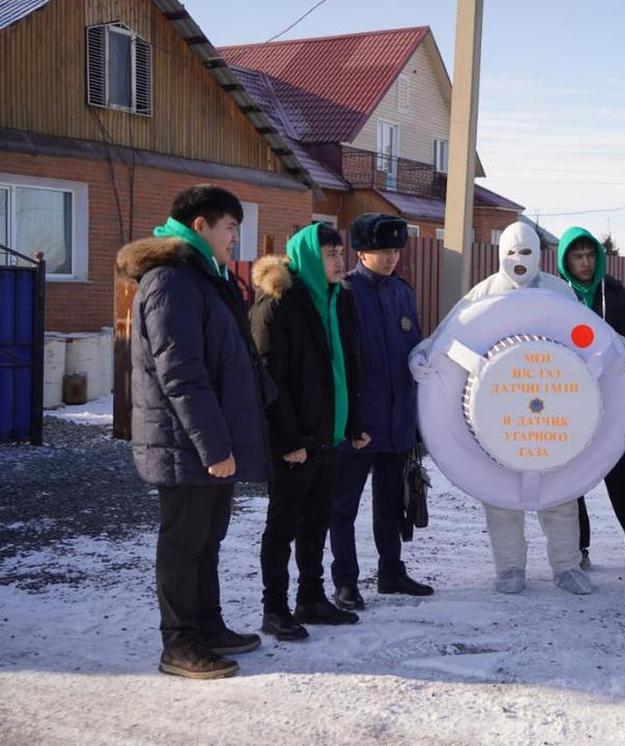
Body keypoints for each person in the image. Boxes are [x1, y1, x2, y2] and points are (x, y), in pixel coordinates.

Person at [117, 185, 272, 680]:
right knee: (184, 543)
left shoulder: (203, 278)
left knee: (207, 538)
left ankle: (207, 625)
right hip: (186, 444)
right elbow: (181, 373)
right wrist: (214, 446)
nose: (235, 240)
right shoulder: (171, 282)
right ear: (200, 226)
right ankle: (179, 643)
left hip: (206, 441)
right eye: (230, 229)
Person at [414, 222, 594, 595]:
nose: (518, 261)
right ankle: (510, 567)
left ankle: (566, 565)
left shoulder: (559, 292)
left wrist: (622, 354)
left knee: (559, 493)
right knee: (501, 497)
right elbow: (450, 332)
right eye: (511, 253)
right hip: (497, 413)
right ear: (500, 255)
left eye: (526, 252)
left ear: (539, 254)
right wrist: (424, 352)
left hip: (551, 407)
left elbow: (590, 335)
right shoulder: (485, 294)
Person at [250, 223, 371, 640]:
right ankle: (274, 608)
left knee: (317, 520)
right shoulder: (278, 304)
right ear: (308, 257)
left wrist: (354, 423)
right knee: (283, 523)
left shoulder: (340, 300)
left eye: (341, 252)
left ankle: (311, 599)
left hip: (328, 434)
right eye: (331, 253)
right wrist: (288, 441)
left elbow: (348, 365)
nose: (341, 260)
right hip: (294, 440)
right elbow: (269, 380)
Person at [329, 214, 433, 611]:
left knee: (391, 502)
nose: (391, 258)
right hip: (357, 423)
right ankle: (346, 581)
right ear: (361, 252)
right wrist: (348, 418)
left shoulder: (403, 293)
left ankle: (391, 571)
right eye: (382, 251)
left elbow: (413, 352)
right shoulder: (346, 293)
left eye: (394, 251)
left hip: (396, 420)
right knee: (343, 505)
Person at [556, 226, 625, 574]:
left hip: (610, 403)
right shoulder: (555, 295)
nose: (584, 262)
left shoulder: (614, 293)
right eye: (577, 256)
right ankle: (578, 546)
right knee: (572, 477)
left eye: (589, 255)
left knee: (622, 471)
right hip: (567, 404)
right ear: (565, 259)